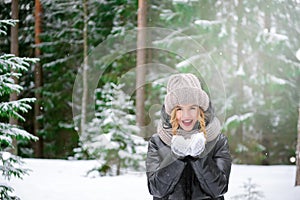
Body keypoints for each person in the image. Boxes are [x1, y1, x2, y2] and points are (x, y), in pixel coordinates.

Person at [146, 73, 232, 200]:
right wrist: (176, 156)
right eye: (179, 109)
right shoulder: (157, 142)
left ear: (200, 110)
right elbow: (156, 189)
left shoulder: (218, 141)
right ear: (171, 112)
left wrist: (200, 155)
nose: (186, 116)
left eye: (192, 108)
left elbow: (219, 188)